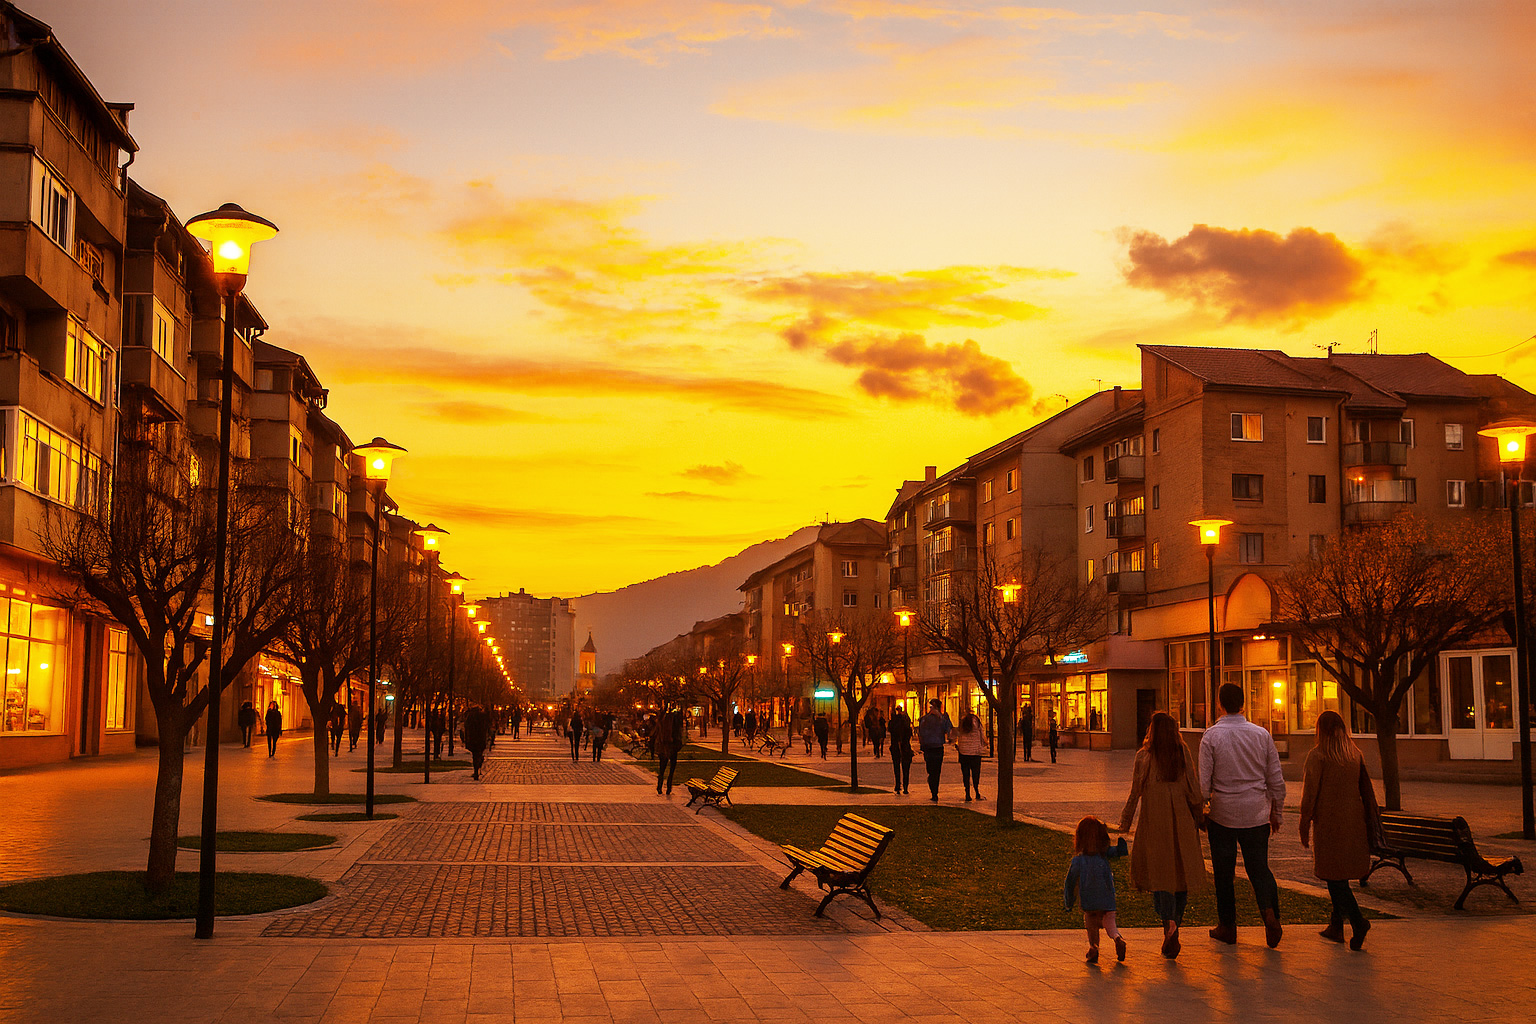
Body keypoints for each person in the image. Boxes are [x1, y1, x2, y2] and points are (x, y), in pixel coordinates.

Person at [1199, 682, 1286, 948]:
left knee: (1224, 873)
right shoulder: (1261, 735)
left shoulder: (1211, 736)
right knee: (1259, 868)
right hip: (1256, 812)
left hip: (1223, 813)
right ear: (1244, 704)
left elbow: (1203, 784)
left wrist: (1202, 809)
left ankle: (1228, 925)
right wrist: (1276, 813)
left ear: (1219, 704)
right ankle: (1270, 914)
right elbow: (1276, 780)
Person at [1119, 712, 1208, 959]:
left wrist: (1125, 822)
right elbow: (1193, 788)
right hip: (1181, 823)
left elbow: (1135, 791)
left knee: (1160, 877)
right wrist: (1199, 815)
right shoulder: (1181, 754)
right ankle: (1176, 921)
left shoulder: (1143, 757)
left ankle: (1168, 921)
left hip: (1154, 823)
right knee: (1181, 876)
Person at [1300, 710, 1378, 950]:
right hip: (1354, 823)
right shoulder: (1355, 755)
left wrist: (1304, 822)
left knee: (1334, 877)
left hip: (1329, 823)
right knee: (1339, 874)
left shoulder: (1318, 755)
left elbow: (1310, 793)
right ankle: (1336, 925)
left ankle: (1357, 920)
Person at [1064, 816, 1129, 964]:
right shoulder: (1104, 855)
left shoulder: (1078, 861)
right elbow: (1118, 851)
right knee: (1110, 922)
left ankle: (1094, 946)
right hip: (1107, 898)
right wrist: (1121, 848)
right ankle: (1118, 938)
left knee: (1091, 922)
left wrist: (1069, 902)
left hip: (1090, 900)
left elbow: (1070, 882)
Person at [917, 698, 954, 802]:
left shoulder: (925, 719)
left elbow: (921, 732)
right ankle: (934, 790)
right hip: (936, 747)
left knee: (931, 770)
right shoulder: (941, 718)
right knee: (936, 771)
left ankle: (934, 790)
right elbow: (949, 729)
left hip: (930, 747)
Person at [654, 706, 685, 795]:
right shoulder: (674, 723)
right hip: (672, 747)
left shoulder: (662, 722)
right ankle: (668, 787)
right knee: (671, 768)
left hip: (664, 747)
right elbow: (678, 735)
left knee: (662, 768)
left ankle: (660, 786)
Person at [956, 710, 985, 802]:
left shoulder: (963, 724)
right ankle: (977, 791)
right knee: (976, 774)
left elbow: (958, 736)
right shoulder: (977, 723)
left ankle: (967, 793)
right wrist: (983, 745)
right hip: (975, 753)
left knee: (966, 774)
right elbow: (982, 737)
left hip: (964, 752)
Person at [888, 706, 914, 794]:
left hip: (895, 748)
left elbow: (890, 730)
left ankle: (898, 785)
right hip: (905, 748)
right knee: (906, 768)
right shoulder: (906, 726)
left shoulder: (893, 723)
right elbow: (909, 736)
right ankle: (905, 786)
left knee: (896, 767)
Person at [462, 703, 491, 780]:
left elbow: (466, 728)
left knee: (474, 755)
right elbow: (487, 726)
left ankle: (476, 770)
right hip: (481, 738)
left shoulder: (470, 716)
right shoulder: (482, 716)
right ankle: (479, 764)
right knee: (479, 753)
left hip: (472, 738)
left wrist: (465, 739)